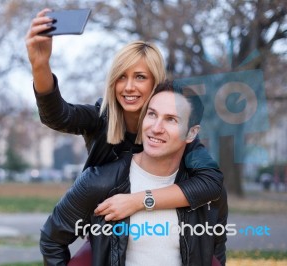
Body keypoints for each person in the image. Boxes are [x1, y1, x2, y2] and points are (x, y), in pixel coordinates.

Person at [25, 9, 223, 221]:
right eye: (121, 77)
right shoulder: (100, 117)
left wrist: (137, 201)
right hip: (108, 232)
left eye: (139, 77)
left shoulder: (173, 131)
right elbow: (56, 116)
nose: (129, 87)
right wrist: (40, 65)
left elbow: (210, 183)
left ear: (155, 82)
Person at [40, 80, 228, 265]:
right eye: (152, 114)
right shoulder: (100, 182)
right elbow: (52, 240)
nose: (156, 128)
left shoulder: (207, 192)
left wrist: (139, 201)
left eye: (171, 119)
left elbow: (215, 248)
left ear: (191, 133)